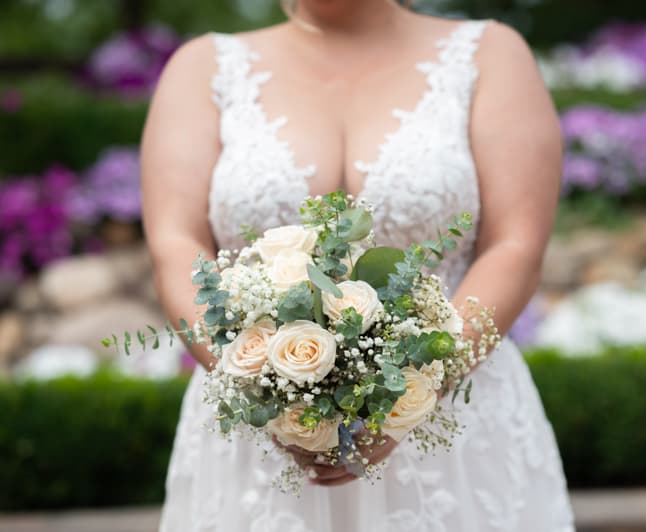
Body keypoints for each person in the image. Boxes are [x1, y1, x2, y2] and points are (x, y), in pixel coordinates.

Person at [141, 0, 574, 530]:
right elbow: (175, 242)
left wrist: (411, 396)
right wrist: (265, 396)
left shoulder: (490, 55)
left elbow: (516, 245)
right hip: (256, 430)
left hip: (453, 420)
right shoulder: (203, 67)